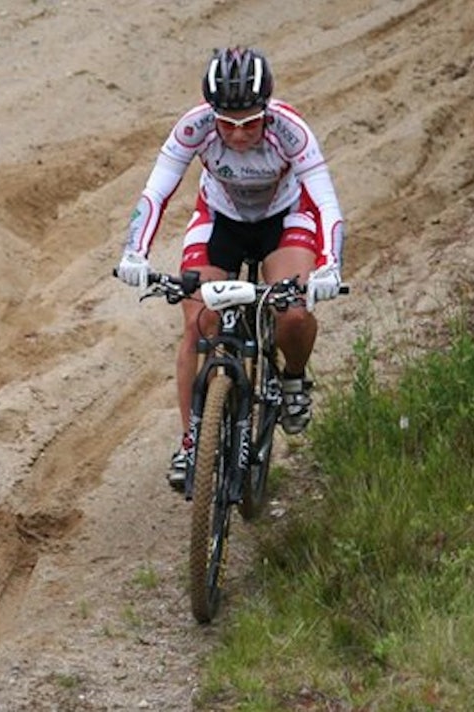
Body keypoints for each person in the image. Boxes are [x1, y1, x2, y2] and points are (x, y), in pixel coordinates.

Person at [116, 46, 346, 490]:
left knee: (293, 312)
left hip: (285, 218)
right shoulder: (193, 127)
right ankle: (190, 443)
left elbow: (325, 201)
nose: (239, 135)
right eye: (227, 124)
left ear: (267, 110)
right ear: (211, 112)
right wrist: (134, 253)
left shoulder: (291, 131)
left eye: (250, 123)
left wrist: (331, 266)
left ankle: (294, 380)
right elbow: (156, 191)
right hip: (221, 219)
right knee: (199, 323)